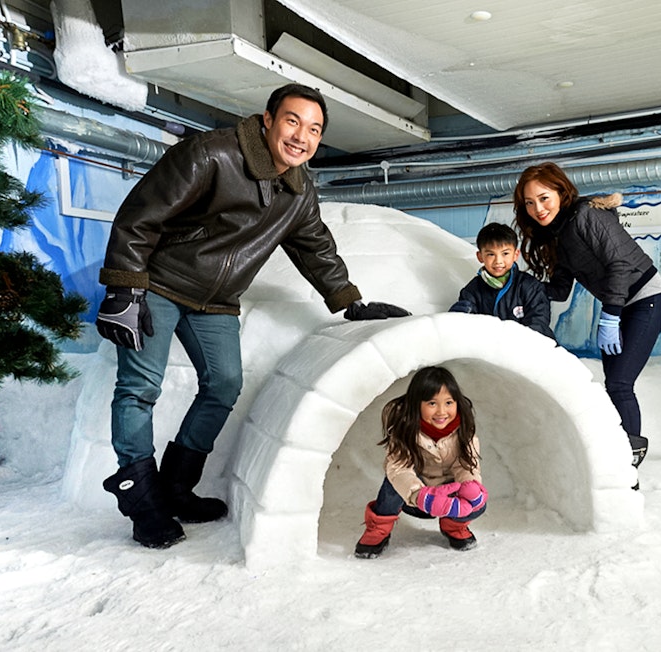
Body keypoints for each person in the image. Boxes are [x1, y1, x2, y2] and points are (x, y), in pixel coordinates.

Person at [95, 83, 409, 549]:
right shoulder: (209, 155)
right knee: (140, 389)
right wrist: (125, 287)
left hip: (217, 300)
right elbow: (141, 215)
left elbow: (314, 246)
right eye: (293, 121)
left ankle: (177, 488)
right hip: (158, 283)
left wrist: (349, 301)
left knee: (223, 386)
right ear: (268, 120)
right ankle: (143, 503)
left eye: (315, 129)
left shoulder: (299, 189)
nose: (302, 136)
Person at [513, 162, 661, 485]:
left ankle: (627, 472)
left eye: (544, 198)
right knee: (614, 387)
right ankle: (619, 461)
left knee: (621, 384)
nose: (537, 208)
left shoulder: (586, 216)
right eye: (529, 203)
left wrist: (610, 315)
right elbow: (559, 289)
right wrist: (517, 284)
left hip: (645, 300)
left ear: (560, 191)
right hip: (621, 306)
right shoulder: (556, 235)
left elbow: (620, 265)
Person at [355, 366, 486, 558]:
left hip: (448, 497)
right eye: (432, 403)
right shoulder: (404, 428)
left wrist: (470, 485)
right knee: (392, 483)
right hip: (415, 497)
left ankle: (454, 525)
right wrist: (419, 494)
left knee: (476, 501)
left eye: (448, 402)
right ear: (417, 404)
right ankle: (378, 529)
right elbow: (399, 468)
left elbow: (467, 464)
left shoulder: (464, 430)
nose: (442, 411)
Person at [449, 222, 555, 340]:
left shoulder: (530, 287)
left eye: (505, 253)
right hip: (491, 353)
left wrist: (512, 344)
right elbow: (465, 326)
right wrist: (458, 316)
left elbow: (539, 322)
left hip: (529, 350)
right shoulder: (472, 291)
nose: (498, 261)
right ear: (480, 256)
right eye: (490, 254)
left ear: (515, 254)